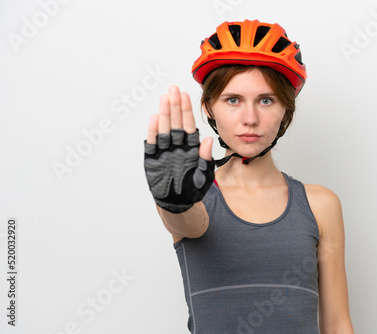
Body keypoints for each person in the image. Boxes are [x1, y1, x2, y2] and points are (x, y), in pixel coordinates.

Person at [144, 19, 354, 333]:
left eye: (266, 100)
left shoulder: (321, 204)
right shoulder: (192, 196)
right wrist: (174, 203)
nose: (250, 119)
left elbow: (337, 324)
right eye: (233, 100)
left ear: (287, 109)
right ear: (209, 108)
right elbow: (186, 220)